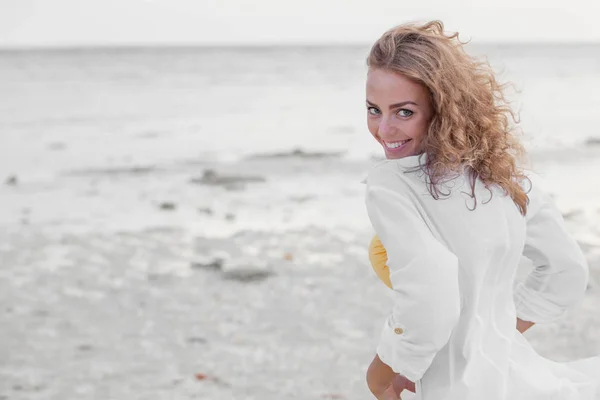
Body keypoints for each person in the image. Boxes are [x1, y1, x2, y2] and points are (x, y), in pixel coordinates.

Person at [362, 20, 600, 400]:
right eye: (374, 109)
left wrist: (393, 368)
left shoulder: (391, 186)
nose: (384, 129)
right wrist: (493, 332)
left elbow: (432, 295)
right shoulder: (506, 177)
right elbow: (565, 271)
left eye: (404, 112)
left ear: (441, 107)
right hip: (517, 376)